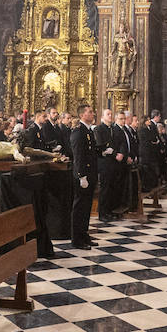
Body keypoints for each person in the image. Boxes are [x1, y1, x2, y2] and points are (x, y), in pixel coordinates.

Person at [69, 104, 97, 249]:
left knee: (86, 208)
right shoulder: (78, 132)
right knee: (79, 208)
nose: (93, 114)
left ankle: (84, 234)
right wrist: (82, 176)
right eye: (90, 112)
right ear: (82, 115)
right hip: (83, 176)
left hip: (90, 174)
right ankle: (77, 239)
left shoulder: (88, 131)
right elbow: (78, 156)